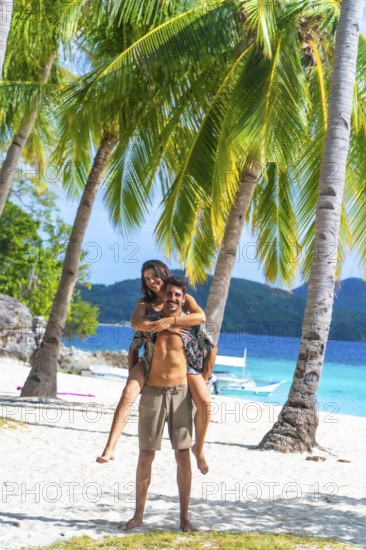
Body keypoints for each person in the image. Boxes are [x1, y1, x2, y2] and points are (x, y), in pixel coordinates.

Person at [97, 260, 216, 474]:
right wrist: (158, 326)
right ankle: (110, 447)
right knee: (127, 394)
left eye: (154, 276)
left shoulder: (184, 298)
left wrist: (171, 322)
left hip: (185, 361)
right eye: (147, 279)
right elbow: (136, 324)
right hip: (151, 358)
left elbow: (201, 317)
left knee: (205, 403)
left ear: (164, 273)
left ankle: (198, 448)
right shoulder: (146, 304)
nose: (151, 282)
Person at [124, 276, 198, 532]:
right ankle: (138, 515)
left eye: (178, 295)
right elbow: (134, 336)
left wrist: (173, 321)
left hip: (181, 394)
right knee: (146, 454)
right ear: (163, 295)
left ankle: (185, 517)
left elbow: (207, 335)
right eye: (169, 294)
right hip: (152, 393)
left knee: (183, 455)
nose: (173, 298)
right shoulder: (149, 322)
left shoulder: (189, 324)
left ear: (183, 298)